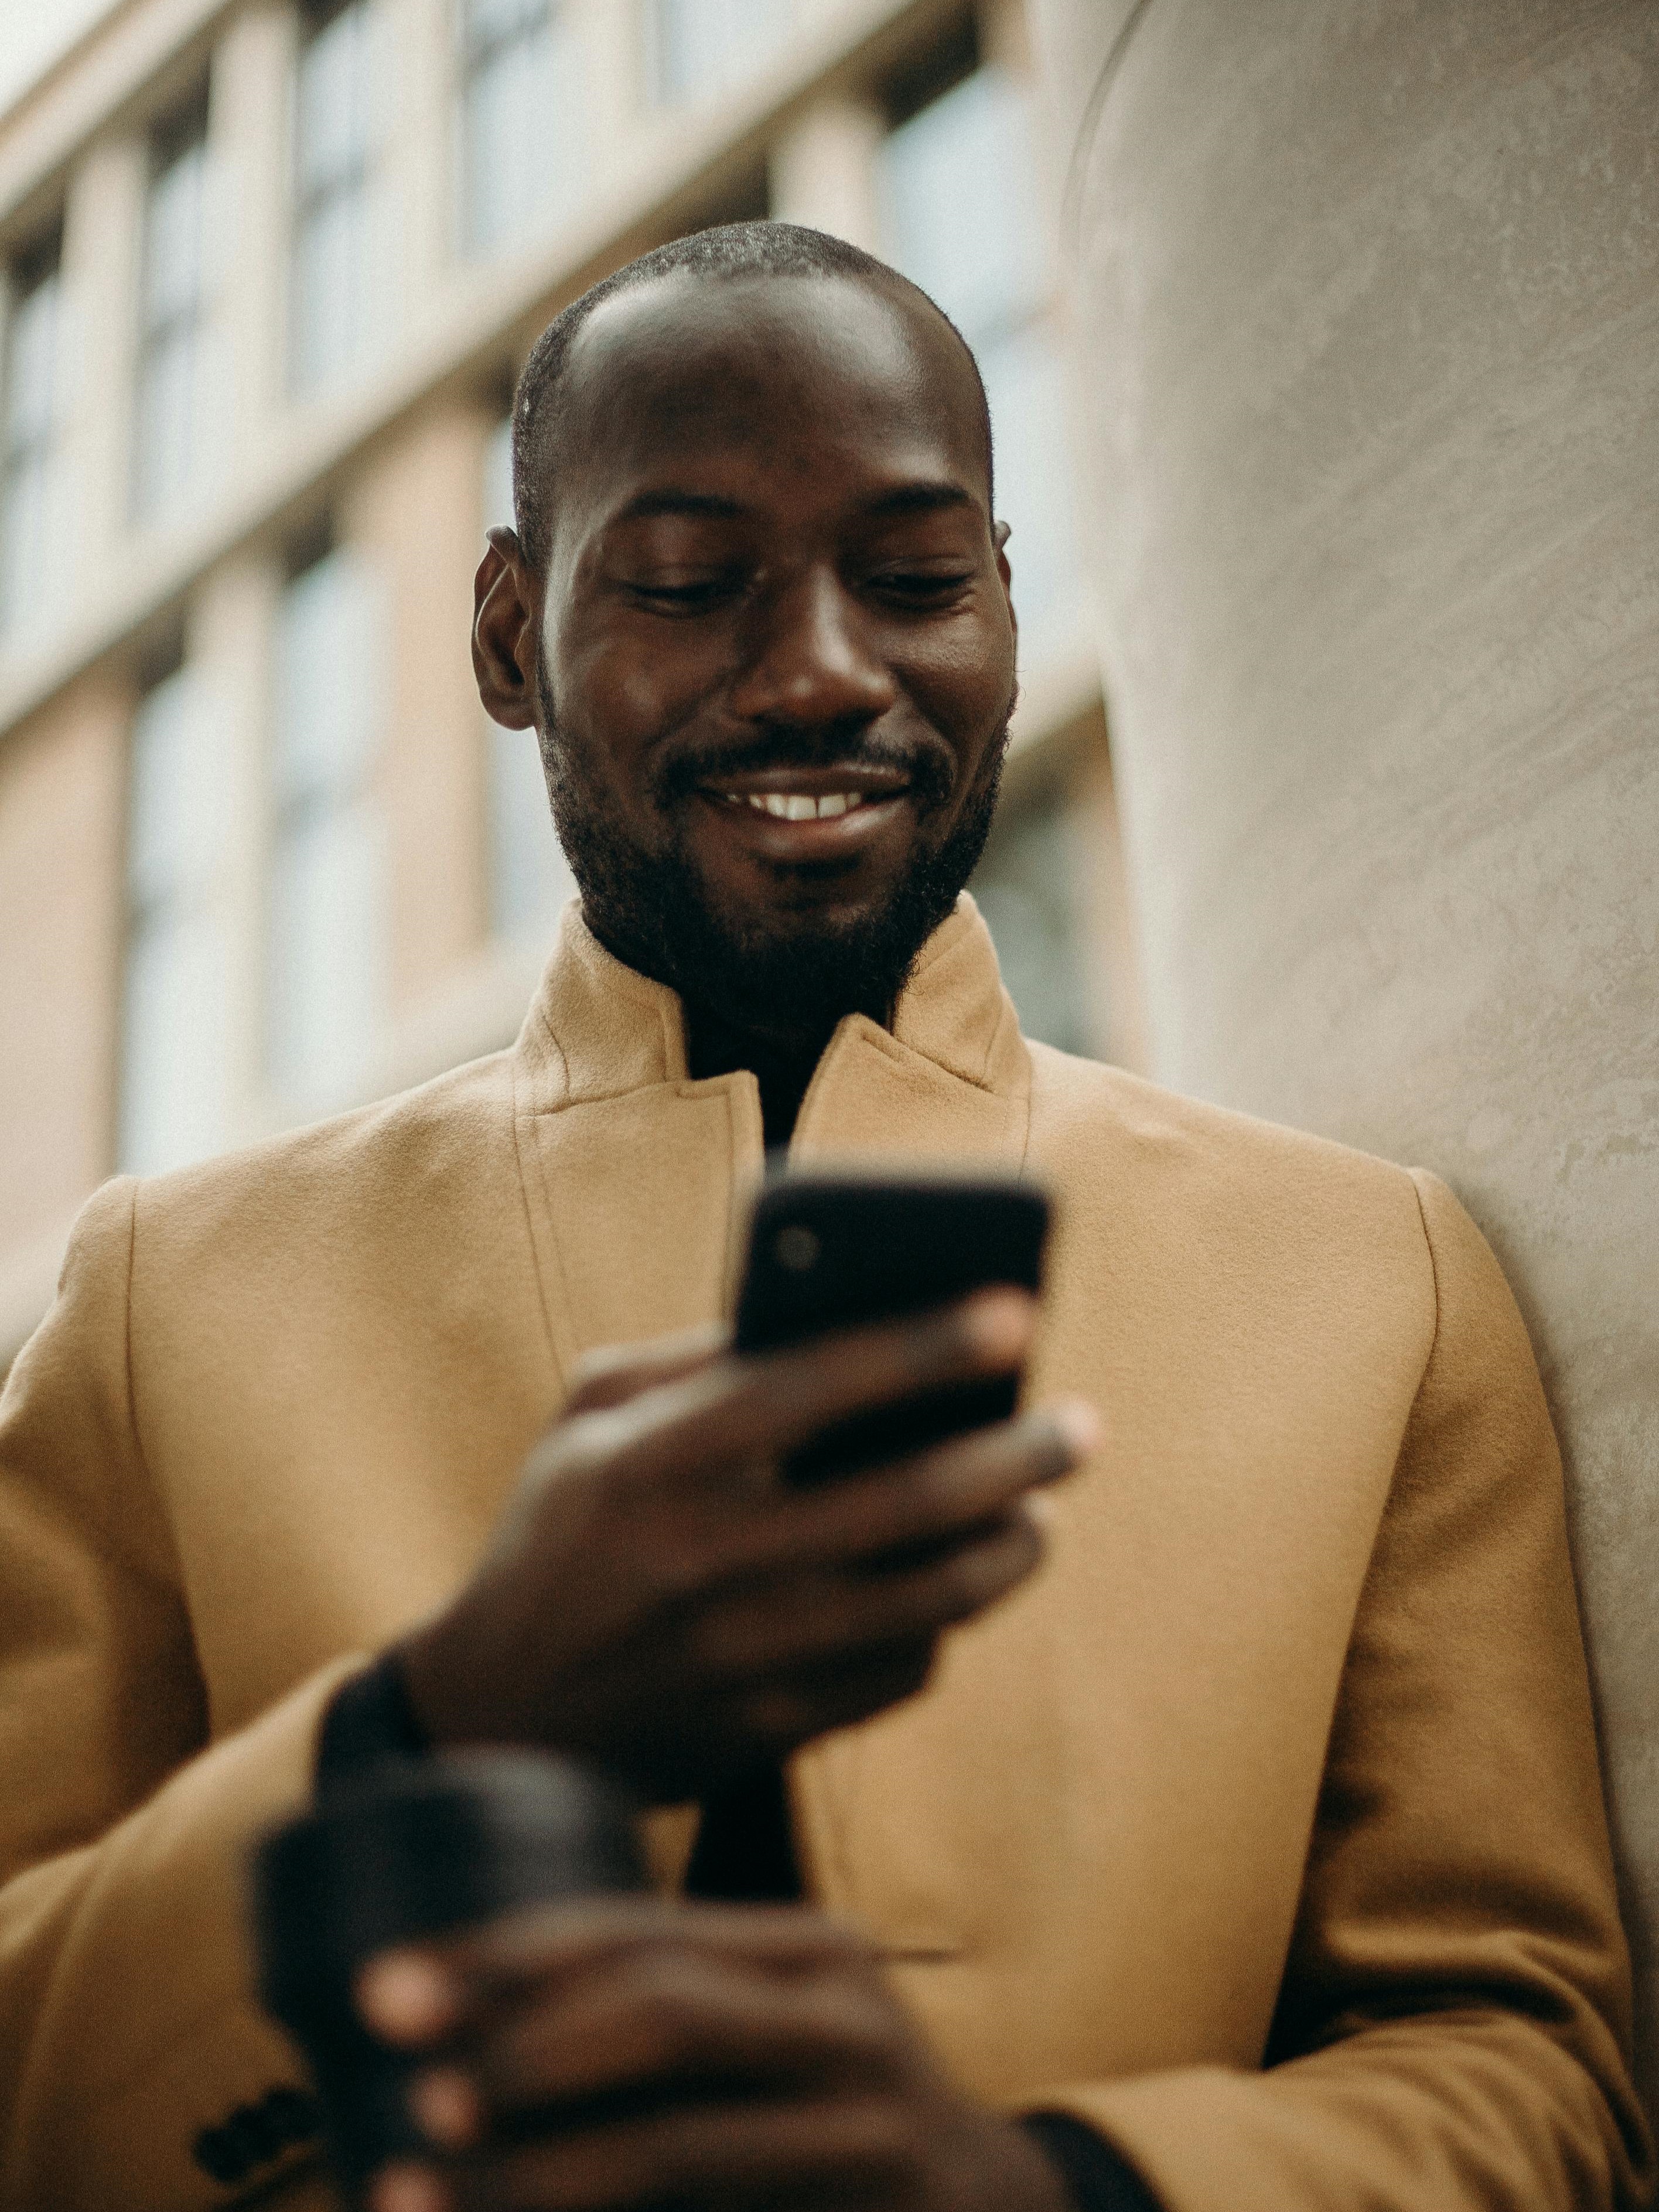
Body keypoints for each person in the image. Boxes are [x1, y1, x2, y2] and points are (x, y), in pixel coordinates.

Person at [0, 221, 1647, 2212]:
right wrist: (442, 1730)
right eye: (693, 585)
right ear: (509, 638)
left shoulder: (1373, 1280)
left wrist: (1044, 2190)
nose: (823, 672)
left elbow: (1534, 2071)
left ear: (1010, 614)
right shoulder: (165, 1300)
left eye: (919, 579)